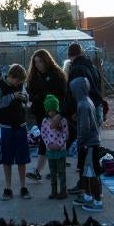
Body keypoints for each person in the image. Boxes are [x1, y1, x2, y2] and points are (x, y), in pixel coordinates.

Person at [0, 64, 32, 200]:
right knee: (6, 159)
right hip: (5, 126)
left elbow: (27, 99)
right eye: (18, 81)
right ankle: (7, 188)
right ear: (12, 77)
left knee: (22, 158)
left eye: (21, 82)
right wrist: (12, 97)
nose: (20, 84)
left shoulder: (20, 85)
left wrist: (25, 99)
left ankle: (23, 187)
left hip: (21, 124)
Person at [26, 49, 67, 182]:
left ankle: (43, 170)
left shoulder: (56, 74)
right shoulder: (34, 76)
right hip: (40, 113)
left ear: (46, 61)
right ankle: (44, 170)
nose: (38, 64)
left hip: (54, 113)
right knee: (46, 139)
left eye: (40, 61)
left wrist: (59, 113)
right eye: (36, 62)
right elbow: (30, 92)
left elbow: (62, 94)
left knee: (55, 140)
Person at [70, 77, 103, 212]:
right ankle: (89, 196)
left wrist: (80, 141)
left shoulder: (82, 104)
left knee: (93, 173)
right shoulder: (87, 101)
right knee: (87, 172)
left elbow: (85, 126)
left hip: (89, 144)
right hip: (89, 143)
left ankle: (97, 201)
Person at [41, 94, 69, 200]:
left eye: (53, 110)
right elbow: (43, 134)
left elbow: (65, 134)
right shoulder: (45, 121)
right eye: (49, 110)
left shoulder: (62, 120)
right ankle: (54, 191)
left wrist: (59, 144)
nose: (51, 112)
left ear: (57, 109)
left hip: (60, 150)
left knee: (62, 171)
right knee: (52, 172)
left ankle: (63, 191)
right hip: (50, 150)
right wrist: (48, 143)